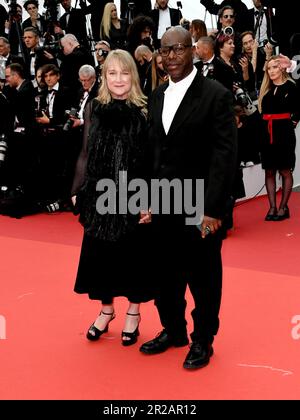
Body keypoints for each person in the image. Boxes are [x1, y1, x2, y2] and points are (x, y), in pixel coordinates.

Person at [139, 26, 237, 369]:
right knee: (165, 275)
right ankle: (174, 330)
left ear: (192, 51)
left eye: (178, 50)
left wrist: (212, 210)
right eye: (165, 51)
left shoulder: (216, 95)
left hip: (200, 206)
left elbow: (223, 157)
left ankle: (202, 339)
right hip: (164, 203)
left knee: (204, 277)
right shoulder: (157, 95)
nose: (171, 57)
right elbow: (153, 152)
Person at [72, 49, 152, 346]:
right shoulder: (94, 108)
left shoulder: (145, 111)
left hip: (132, 196)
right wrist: (76, 190)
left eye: (124, 72)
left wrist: (150, 200)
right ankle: (106, 311)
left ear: (133, 75)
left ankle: (133, 312)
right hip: (98, 194)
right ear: (104, 77)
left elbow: (152, 161)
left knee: (133, 259)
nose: (119, 79)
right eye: (112, 73)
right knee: (100, 257)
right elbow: (84, 153)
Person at [258, 55, 300, 221]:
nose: (271, 71)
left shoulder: (292, 87)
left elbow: (298, 108)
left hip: (284, 134)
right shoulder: (266, 89)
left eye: (275, 67)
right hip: (267, 135)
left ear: (282, 68)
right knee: (269, 171)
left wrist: (293, 121)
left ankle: (283, 207)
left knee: (284, 169)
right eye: (269, 68)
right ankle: (272, 207)